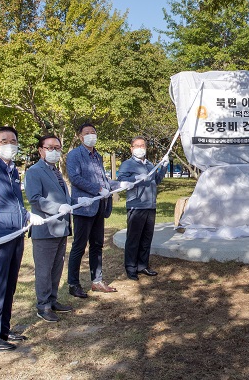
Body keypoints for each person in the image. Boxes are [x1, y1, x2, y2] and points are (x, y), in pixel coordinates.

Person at [0, 126, 44, 351]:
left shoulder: (13, 170)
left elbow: (14, 201)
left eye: (13, 140)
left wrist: (27, 215)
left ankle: (3, 329)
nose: (9, 144)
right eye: (4, 141)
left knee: (10, 284)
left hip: (16, 233)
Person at [24, 135, 80, 322]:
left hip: (61, 228)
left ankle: (53, 300)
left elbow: (63, 198)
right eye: (50, 147)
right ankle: (43, 306)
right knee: (44, 270)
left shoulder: (56, 171)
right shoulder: (34, 171)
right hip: (45, 229)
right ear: (40, 150)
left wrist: (77, 202)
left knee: (56, 268)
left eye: (57, 148)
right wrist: (58, 208)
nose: (54, 151)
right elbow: (35, 198)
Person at [66, 123, 121, 297]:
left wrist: (120, 184)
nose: (91, 135)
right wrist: (97, 190)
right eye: (87, 133)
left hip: (99, 208)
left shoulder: (97, 156)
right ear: (81, 137)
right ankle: (73, 284)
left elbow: (103, 180)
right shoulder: (75, 155)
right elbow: (75, 178)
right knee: (79, 247)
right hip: (84, 207)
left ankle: (97, 281)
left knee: (97, 245)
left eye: (94, 132)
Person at [117, 137, 168, 280]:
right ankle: (131, 268)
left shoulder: (150, 164)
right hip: (136, 205)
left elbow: (156, 180)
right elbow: (121, 180)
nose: (140, 148)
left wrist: (163, 167)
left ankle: (142, 265)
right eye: (137, 145)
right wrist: (136, 178)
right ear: (131, 148)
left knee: (146, 237)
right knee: (134, 238)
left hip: (150, 205)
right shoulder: (127, 164)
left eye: (143, 145)